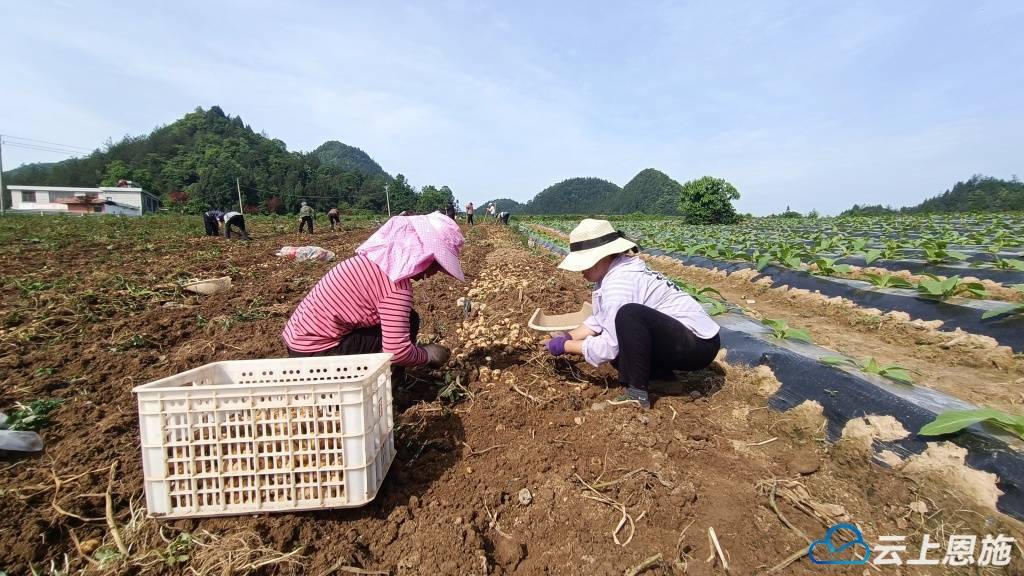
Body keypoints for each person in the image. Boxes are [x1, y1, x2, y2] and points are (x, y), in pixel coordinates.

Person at [543, 219, 720, 408]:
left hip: (698, 344)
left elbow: (608, 347)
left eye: (584, 264)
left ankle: (637, 395)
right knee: (623, 348)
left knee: (629, 316)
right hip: (680, 337)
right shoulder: (612, 272)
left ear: (602, 258)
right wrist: (568, 335)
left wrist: (565, 346)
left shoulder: (620, 282)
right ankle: (662, 378)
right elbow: (601, 318)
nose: (580, 271)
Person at [282, 212, 465, 373]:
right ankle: (389, 388)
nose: (433, 272)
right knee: (410, 322)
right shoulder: (396, 286)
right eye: (436, 264)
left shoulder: (372, 261)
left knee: (405, 321)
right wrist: (428, 355)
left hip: (298, 343)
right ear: (424, 255)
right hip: (317, 356)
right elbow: (396, 352)